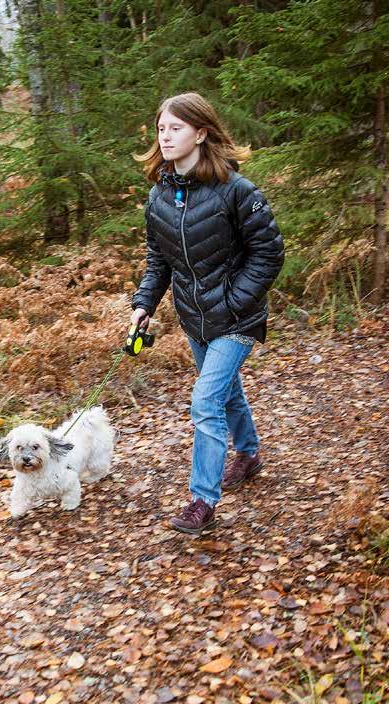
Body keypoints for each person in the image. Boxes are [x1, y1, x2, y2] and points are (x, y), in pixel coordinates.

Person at [131, 92, 284, 536]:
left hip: (237, 319)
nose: (166, 135)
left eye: (176, 128)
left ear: (201, 133)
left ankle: (202, 500)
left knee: (205, 401)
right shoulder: (159, 196)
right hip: (194, 318)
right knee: (225, 393)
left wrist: (236, 302)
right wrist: (144, 304)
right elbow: (158, 261)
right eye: (161, 128)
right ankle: (249, 453)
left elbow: (269, 252)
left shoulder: (238, 191)